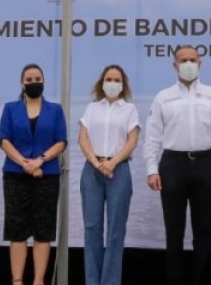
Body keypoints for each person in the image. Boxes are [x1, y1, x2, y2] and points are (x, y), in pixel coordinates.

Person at [144, 45, 211, 285]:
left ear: (200, 63)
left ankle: (199, 279)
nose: (188, 64)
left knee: (204, 228)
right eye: (183, 60)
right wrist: (152, 170)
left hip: (205, 164)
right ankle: (174, 280)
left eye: (192, 60)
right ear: (175, 65)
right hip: (173, 164)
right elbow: (152, 136)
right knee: (174, 229)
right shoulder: (163, 97)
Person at [0, 64, 67, 285]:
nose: (33, 82)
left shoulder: (55, 110)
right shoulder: (10, 108)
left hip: (47, 175)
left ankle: (38, 280)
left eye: (37, 78)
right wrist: (24, 163)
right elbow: (4, 140)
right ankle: (17, 280)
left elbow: (61, 141)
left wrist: (40, 160)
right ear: (22, 83)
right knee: (17, 231)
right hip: (15, 175)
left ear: (44, 81)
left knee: (43, 230)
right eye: (29, 79)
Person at [78, 64, 140, 285]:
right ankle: (92, 281)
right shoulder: (92, 108)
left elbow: (132, 140)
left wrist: (113, 162)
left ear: (122, 84)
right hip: (92, 169)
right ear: (101, 82)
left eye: (116, 80)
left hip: (119, 170)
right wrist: (96, 162)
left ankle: (110, 281)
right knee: (92, 227)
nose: (112, 83)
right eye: (108, 79)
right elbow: (82, 137)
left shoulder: (129, 109)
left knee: (115, 229)